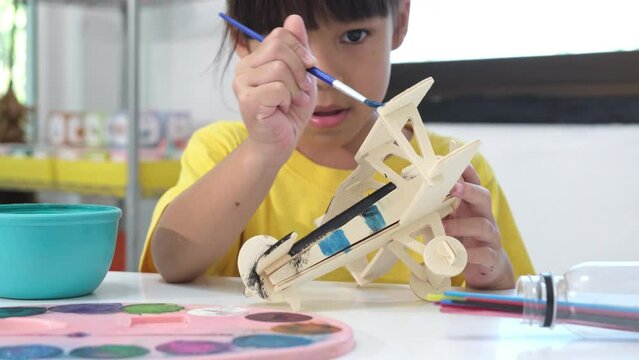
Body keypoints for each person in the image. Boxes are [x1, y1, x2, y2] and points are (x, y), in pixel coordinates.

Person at [139, 0, 534, 290]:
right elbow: (172, 263)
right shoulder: (224, 150)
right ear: (243, 42)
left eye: (354, 35)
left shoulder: (460, 172)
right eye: (289, 44)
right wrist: (262, 151)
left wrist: (493, 274)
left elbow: (514, 313)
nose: (324, 75)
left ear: (400, 21)